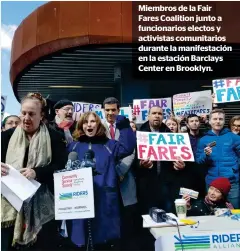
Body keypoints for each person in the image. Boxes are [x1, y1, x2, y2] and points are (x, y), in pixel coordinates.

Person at [1, 92, 68, 251]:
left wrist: (37, 172)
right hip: (11, 204)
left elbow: (61, 166)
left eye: (31, 114)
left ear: (41, 115)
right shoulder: (6, 137)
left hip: (43, 206)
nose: (26, 118)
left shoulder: (55, 137)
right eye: (23, 113)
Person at [66, 111, 136, 250]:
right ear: (81, 126)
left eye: (93, 121)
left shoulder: (110, 145)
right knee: (81, 239)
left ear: (99, 125)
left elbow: (127, 148)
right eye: (85, 122)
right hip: (80, 202)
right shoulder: (73, 146)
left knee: (102, 241)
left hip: (104, 200)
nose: (89, 125)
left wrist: (122, 123)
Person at [102, 97, 138, 250]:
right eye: (108, 110)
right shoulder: (98, 127)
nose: (110, 113)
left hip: (124, 177)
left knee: (126, 219)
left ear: (118, 110)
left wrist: (120, 171)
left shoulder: (126, 127)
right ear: (103, 110)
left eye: (113, 110)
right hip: (105, 180)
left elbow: (131, 150)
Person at [196, 109, 240, 208]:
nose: (218, 121)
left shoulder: (234, 137)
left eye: (221, 119)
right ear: (210, 121)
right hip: (212, 183)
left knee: (235, 212)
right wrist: (205, 155)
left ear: (224, 121)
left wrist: (234, 168)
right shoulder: (203, 140)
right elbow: (198, 161)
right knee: (212, 213)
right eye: (215, 119)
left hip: (231, 183)